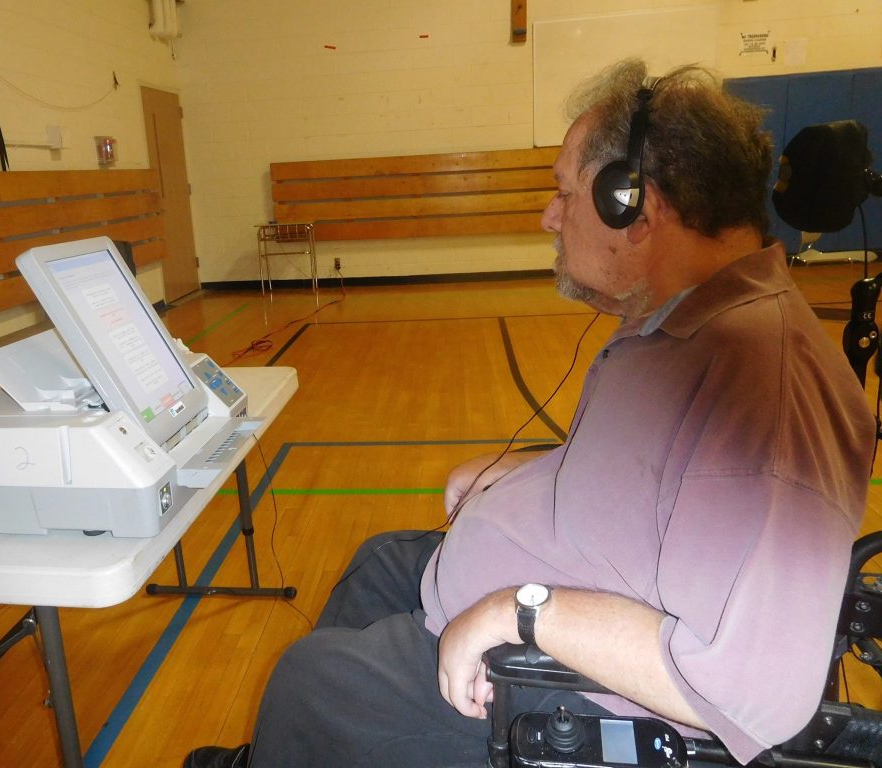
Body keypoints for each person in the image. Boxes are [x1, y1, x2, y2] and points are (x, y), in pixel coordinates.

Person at [184, 59, 876, 768]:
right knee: (379, 565)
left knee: (312, 682)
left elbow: (758, 695)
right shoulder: (683, 322)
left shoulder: (768, 394)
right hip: (553, 592)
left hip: (572, 693)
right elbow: (662, 478)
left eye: (563, 192)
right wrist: (530, 474)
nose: (549, 215)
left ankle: (304, 737)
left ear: (633, 207)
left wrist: (522, 611)